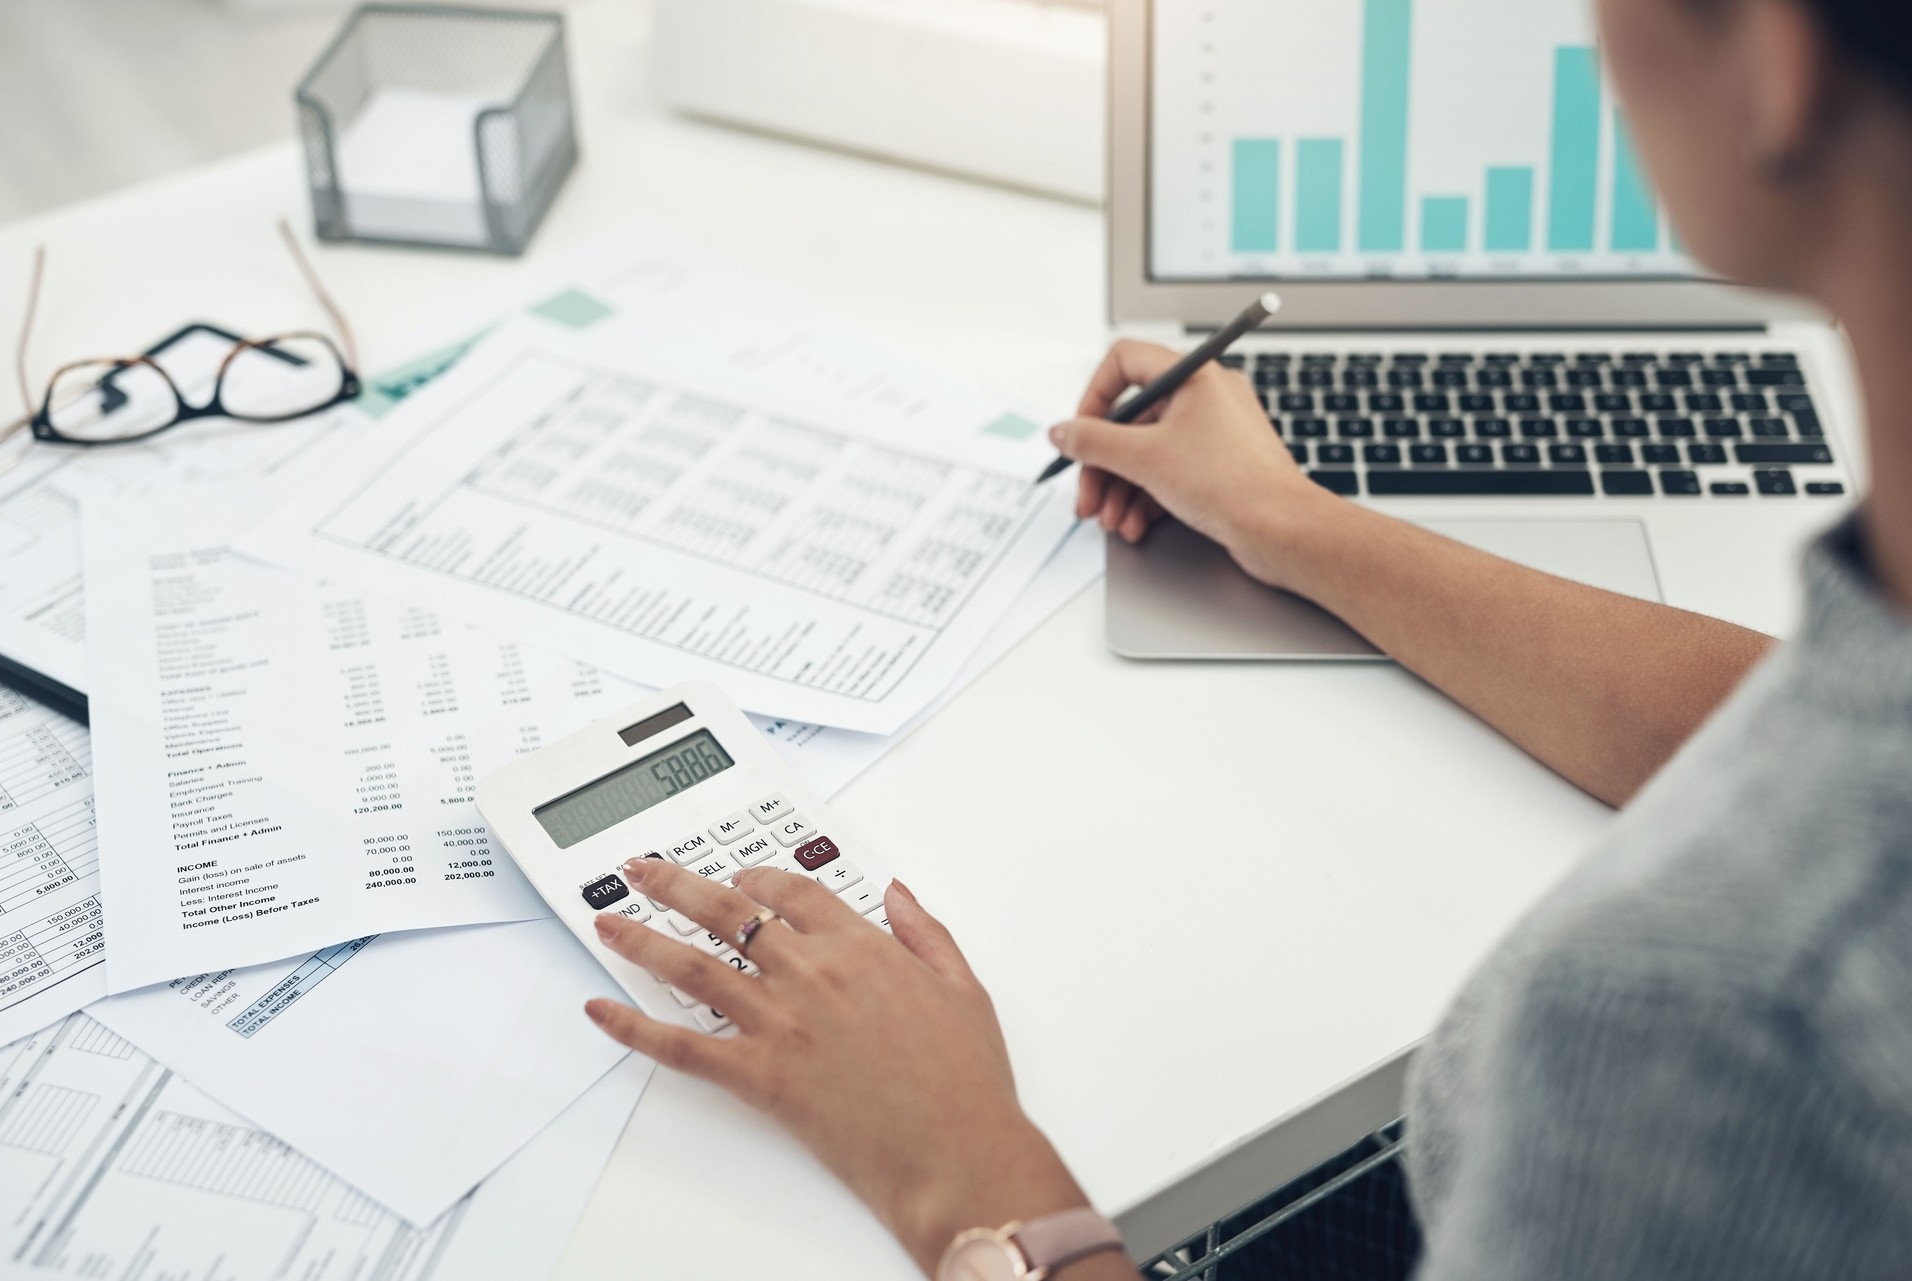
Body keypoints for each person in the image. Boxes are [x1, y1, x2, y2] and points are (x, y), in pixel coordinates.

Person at [581, 0, 1912, 1275]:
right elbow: (1777, 720)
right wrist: (1291, 525)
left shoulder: (1711, 1030)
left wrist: (963, 1173)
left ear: (1778, 64)